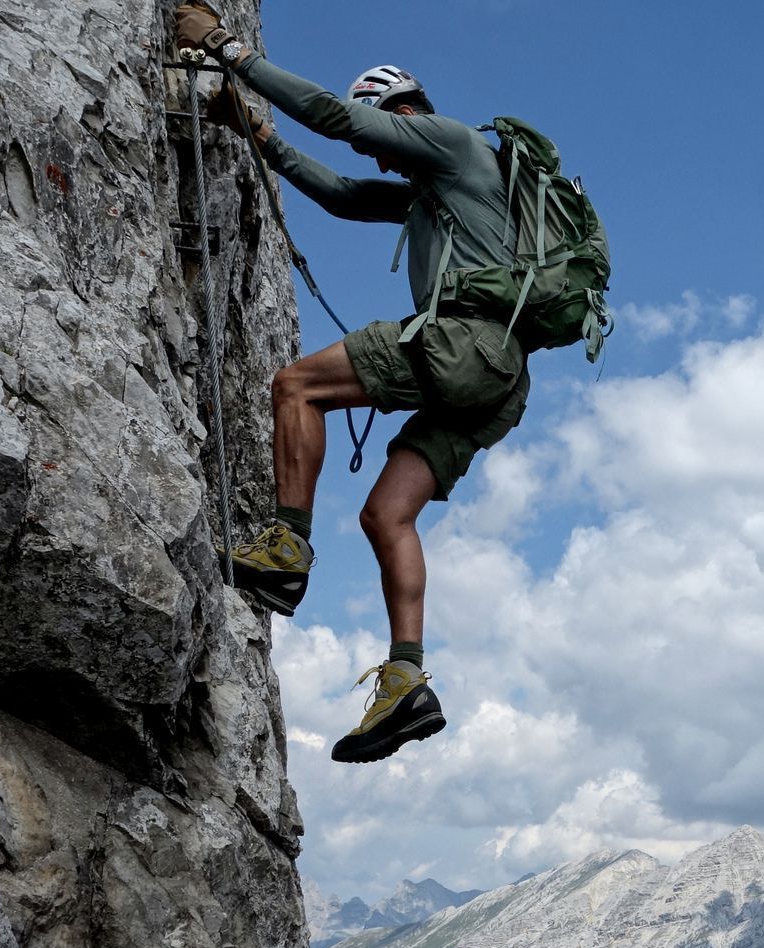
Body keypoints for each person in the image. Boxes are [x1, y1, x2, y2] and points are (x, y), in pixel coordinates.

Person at [174, 6, 527, 764]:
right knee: (385, 517)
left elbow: (339, 125)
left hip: (464, 343)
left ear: (398, 111)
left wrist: (224, 47)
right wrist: (259, 136)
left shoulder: (452, 142)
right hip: (495, 382)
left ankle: (286, 551)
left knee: (296, 387)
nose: (383, 162)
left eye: (383, 137)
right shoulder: (438, 192)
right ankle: (407, 681)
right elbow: (340, 193)